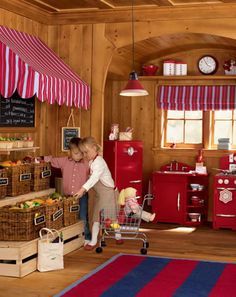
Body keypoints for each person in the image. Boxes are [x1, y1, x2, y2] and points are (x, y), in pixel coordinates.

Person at [74, 136, 118, 251]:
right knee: (100, 217)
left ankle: (97, 240)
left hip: (107, 193)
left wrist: (82, 189)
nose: (85, 155)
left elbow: (94, 178)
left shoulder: (99, 162)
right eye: (83, 153)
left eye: (86, 152)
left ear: (94, 148)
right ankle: (109, 237)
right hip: (100, 194)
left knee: (104, 217)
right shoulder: (92, 162)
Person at [44, 137, 91, 243]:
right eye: (76, 153)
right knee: (67, 216)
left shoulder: (86, 163)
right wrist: (40, 158)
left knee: (82, 215)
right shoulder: (64, 161)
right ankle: (72, 236)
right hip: (67, 196)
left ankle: (87, 236)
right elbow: (51, 160)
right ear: (69, 152)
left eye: (81, 153)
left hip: (82, 195)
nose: (79, 156)